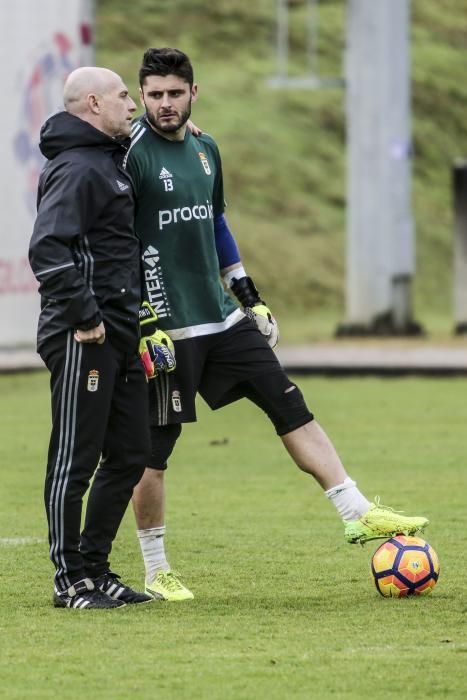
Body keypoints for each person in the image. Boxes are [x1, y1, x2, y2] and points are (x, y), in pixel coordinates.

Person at [125, 48, 429, 602]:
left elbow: (217, 224)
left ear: (195, 92)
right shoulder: (132, 157)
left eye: (174, 93)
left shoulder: (206, 148)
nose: (164, 104)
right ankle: (155, 570)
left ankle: (355, 512)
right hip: (167, 330)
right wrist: (143, 322)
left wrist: (250, 297)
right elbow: (118, 243)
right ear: (141, 96)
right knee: (153, 452)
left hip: (222, 318)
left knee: (289, 403)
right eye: (154, 95)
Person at [29, 67, 154, 609]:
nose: (134, 105)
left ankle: (97, 569)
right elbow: (47, 251)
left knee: (131, 454)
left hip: (120, 333)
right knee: (74, 457)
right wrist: (85, 315)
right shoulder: (78, 168)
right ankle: (68, 580)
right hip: (85, 334)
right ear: (95, 104)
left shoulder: (108, 160)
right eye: (126, 96)